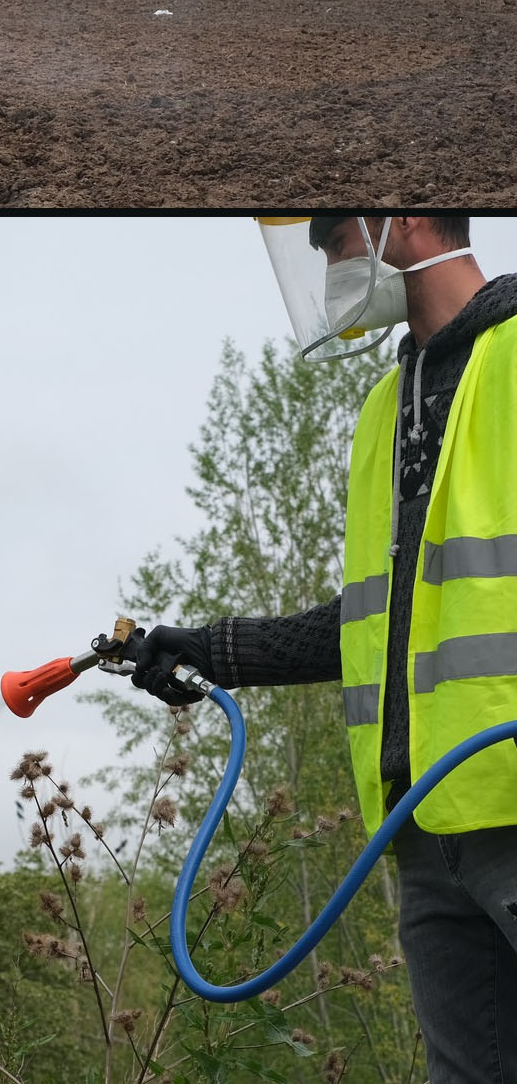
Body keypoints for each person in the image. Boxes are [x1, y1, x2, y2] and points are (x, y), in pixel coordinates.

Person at [127, 216, 517, 1084]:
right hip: (422, 826)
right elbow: (376, 621)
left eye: (336, 239)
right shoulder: (389, 403)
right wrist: (211, 648)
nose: (331, 265)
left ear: (406, 217)